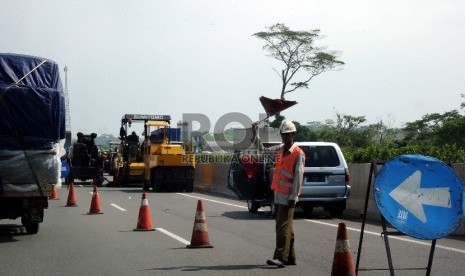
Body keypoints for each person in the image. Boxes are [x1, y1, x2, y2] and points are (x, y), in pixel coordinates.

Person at [251, 120, 305, 268]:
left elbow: (298, 177)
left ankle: (280, 257)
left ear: (293, 134)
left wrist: (294, 196)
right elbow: (263, 151)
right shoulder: (279, 151)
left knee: (282, 227)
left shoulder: (297, 153)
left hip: (288, 196)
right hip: (278, 194)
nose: (285, 137)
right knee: (287, 227)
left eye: (288, 134)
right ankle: (290, 257)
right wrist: (255, 134)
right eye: (283, 134)